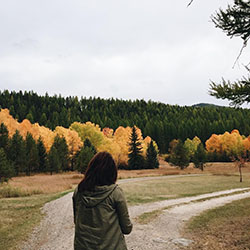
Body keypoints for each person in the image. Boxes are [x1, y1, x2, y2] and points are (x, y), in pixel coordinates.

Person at [73, 151, 133, 250]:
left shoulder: (79, 191)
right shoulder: (115, 193)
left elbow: (77, 221)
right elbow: (126, 229)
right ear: (112, 172)